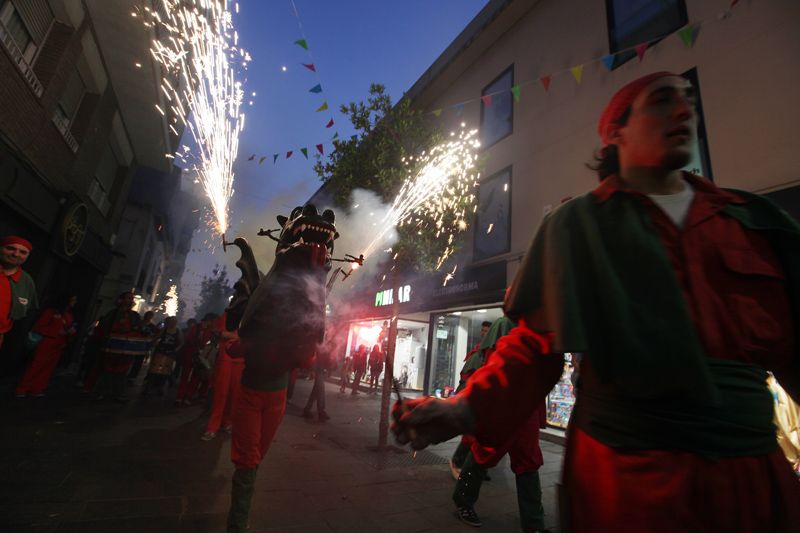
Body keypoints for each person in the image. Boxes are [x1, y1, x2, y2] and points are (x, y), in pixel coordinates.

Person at [393, 72, 800, 531]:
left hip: (752, 489)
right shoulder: (577, 226)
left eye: (689, 100)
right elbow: (533, 350)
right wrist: (465, 408)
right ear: (615, 131)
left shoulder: (754, 222)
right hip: (625, 487)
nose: (686, 111)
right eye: (663, 101)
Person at [451, 317, 549, 532]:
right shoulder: (504, 325)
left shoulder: (543, 324)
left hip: (527, 407)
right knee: (481, 454)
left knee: (529, 463)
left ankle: (534, 523)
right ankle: (463, 500)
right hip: (504, 405)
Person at [449, 320, 493, 479]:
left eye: (486, 331)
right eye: (482, 330)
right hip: (476, 400)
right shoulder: (478, 353)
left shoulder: (490, 351)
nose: (483, 333)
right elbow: (466, 377)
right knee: (472, 435)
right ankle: (458, 461)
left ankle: (480, 468)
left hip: (487, 401)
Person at [15, 293, 77, 397]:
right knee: (37, 366)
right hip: (47, 343)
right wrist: (56, 331)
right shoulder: (51, 312)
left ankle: (37, 388)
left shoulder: (67, 315)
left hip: (59, 344)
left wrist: (70, 332)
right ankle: (23, 388)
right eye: (73, 300)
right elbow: (39, 327)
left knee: (47, 368)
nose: (75, 303)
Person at [87, 291, 144, 402]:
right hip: (111, 347)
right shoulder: (112, 314)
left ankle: (118, 393)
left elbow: (138, 330)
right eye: (128, 298)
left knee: (122, 372)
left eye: (131, 298)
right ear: (121, 300)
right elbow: (103, 328)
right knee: (107, 369)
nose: (130, 301)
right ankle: (101, 391)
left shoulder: (134, 316)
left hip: (126, 348)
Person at [202, 312, 244, 440]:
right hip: (226, 357)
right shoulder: (228, 314)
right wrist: (236, 336)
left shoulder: (250, 315)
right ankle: (212, 427)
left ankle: (227, 422)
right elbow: (218, 332)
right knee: (221, 392)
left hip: (241, 358)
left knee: (234, 393)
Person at [0, 236, 38, 349]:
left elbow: (27, 313)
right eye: (11, 248)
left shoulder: (27, 281)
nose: (16, 254)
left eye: (23, 252)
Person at [175, 312, 218, 405]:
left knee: (196, 377)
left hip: (201, 356)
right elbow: (188, 340)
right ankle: (180, 397)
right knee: (185, 376)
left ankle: (188, 396)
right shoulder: (196, 328)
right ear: (209, 320)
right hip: (191, 355)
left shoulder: (211, 330)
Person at [141, 316, 183, 398]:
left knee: (165, 371)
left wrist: (176, 350)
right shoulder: (164, 329)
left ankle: (160, 387)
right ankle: (149, 386)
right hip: (160, 351)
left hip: (170, 353)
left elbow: (181, 342)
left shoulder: (178, 331)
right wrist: (153, 345)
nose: (172, 323)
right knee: (153, 370)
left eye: (174, 322)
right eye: (171, 322)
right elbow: (156, 338)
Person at [128, 310, 157, 384]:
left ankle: (132, 377)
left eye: (150, 316)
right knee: (129, 360)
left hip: (142, 347)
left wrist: (148, 348)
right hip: (133, 345)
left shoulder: (152, 326)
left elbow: (152, 337)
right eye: (148, 315)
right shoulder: (138, 323)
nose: (148, 317)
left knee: (138, 363)